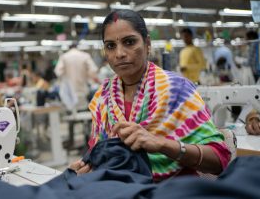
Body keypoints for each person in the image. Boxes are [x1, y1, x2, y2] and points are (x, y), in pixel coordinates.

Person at [69, 10, 230, 182]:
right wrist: (84, 168)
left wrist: (162, 144)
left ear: (147, 44)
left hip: (174, 191)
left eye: (129, 42)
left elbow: (220, 159)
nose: (119, 53)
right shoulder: (103, 97)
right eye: (110, 46)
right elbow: (98, 153)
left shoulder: (177, 90)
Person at [54, 43, 100, 111]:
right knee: (84, 109)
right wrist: (88, 76)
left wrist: (65, 76)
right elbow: (93, 70)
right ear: (77, 47)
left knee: (72, 110)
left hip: (70, 91)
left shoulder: (64, 57)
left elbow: (58, 72)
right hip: (83, 89)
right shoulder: (85, 56)